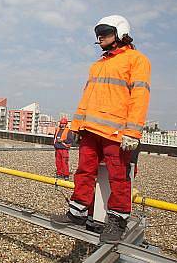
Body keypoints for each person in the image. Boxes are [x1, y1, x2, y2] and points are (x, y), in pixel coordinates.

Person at [51, 15, 151, 243]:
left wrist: (133, 132)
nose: (100, 37)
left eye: (105, 32)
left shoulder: (137, 60)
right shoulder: (98, 65)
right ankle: (77, 213)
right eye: (99, 34)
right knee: (84, 172)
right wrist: (76, 127)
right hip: (90, 131)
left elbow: (140, 97)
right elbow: (86, 97)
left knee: (119, 178)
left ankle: (117, 221)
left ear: (120, 33)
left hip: (116, 134)